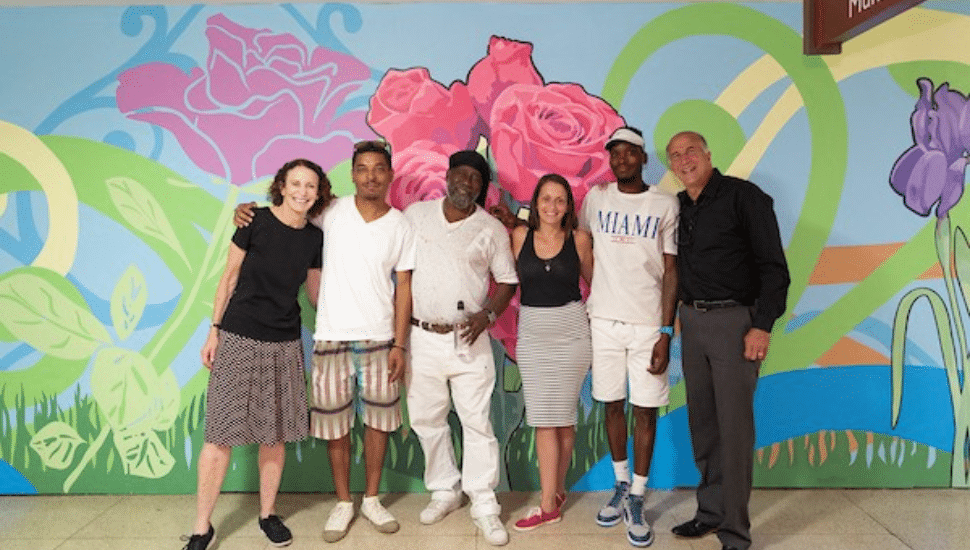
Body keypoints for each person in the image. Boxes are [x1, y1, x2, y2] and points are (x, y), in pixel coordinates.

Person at [234, 141, 415, 543]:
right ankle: (344, 501)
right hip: (331, 336)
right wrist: (244, 213)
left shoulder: (401, 225)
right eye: (362, 168)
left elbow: (404, 287)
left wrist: (400, 344)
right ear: (352, 174)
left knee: (379, 424)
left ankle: (371, 499)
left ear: (389, 175)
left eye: (378, 168)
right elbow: (286, 212)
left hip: (380, 339)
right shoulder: (329, 212)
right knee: (335, 426)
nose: (370, 175)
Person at [184, 159, 330, 550]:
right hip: (237, 335)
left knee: (274, 435)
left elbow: (315, 296)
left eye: (310, 186)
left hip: (284, 344)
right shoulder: (254, 221)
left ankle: (267, 515)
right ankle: (201, 527)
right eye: (295, 183)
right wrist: (213, 331)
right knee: (218, 436)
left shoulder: (314, 240)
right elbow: (228, 277)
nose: (302, 191)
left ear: (319, 194)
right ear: (281, 186)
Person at [666, 131, 789, 550]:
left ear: (708, 154)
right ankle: (710, 512)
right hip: (692, 323)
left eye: (691, 151)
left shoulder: (744, 198)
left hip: (736, 324)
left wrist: (762, 325)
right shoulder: (677, 207)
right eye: (675, 156)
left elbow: (774, 268)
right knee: (704, 425)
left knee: (734, 429)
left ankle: (735, 530)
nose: (684, 160)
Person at [405, 150, 518, 546]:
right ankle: (444, 490)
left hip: (470, 339)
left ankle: (485, 504)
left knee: (477, 423)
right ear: (448, 176)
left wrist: (487, 316)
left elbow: (507, 282)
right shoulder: (416, 216)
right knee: (426, 418)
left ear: (481, 187)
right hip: (421, 336)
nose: (466, 183)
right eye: (461, 174)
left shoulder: (491, 229)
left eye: (475, 178)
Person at [579, 126, 678, 548]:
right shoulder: (596, 198)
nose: (621, 159)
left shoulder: (664, 203)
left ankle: (638, 493)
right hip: (602, 320)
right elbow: (584, 245)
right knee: (611, 403)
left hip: (647, 324)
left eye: (629, 153)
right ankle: (620, 484)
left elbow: (672, 269)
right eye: (614, 153)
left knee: (646, 409)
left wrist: (666, 331)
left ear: (642, 158)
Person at [509, 174, 593, 532]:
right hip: (532, 331)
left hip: (572, 331)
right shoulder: (519, 236)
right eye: (546, 199)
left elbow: (596, 283)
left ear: (568, 206)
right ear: (535, 202)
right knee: (544, 416)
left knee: (563, 417)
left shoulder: (580, 239)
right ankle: (551, 498)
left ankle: (550, 500)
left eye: (560, 200)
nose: (552, 207)